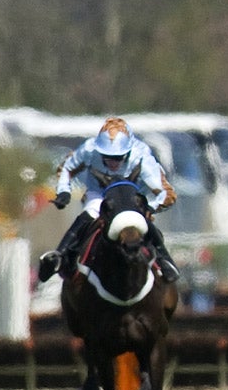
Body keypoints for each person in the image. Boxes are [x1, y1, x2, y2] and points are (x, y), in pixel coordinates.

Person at [37, 117, 181, 283]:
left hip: (132, 199)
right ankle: (59, 256)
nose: (113, 162)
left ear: (127, 152)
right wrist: (63, 191)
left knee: (142, 221)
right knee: (89, 213)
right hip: (101, 195)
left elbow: (164, 193)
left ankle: (165, 261)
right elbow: (68, 167)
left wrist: (149, 207)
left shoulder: (141, 156)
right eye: (107, 156)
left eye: (118, 157)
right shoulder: (90, 149)